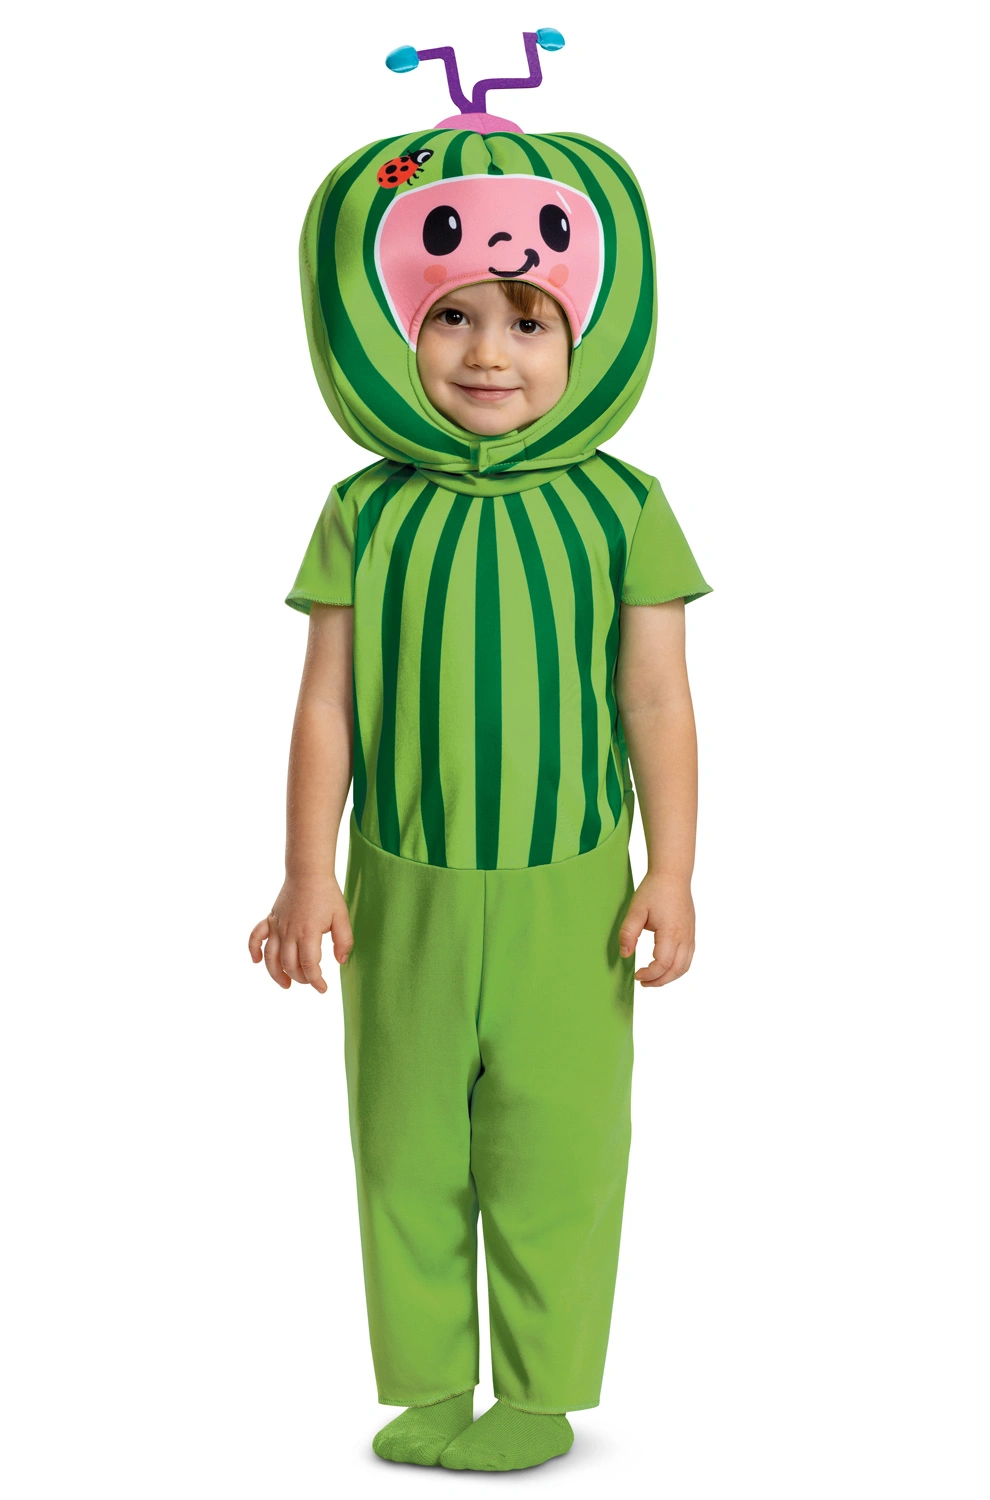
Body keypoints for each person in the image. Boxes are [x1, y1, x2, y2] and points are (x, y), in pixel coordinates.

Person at [248, 35, 712, 1473]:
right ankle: (430, 1380)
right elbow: (324, 707)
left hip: (573, 889)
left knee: (559, 1147)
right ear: (390, 327)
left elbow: (656, 702)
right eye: (450, 315)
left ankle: (542, 1391)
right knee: (402, 1148)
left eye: (526, 319)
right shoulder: (364, 512)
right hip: (406, 889)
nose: (488, 353)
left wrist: (672, 873)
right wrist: (306, 876)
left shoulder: (622, 507)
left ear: (586, 334)